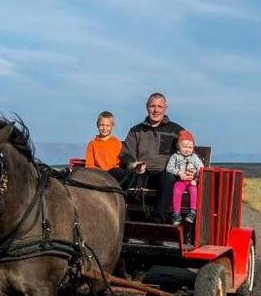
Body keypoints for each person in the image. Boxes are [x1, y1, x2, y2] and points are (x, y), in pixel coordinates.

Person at [120, 92, 184, 222]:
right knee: (113, 173)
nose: (156, 110)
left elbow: (187, 153)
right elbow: (126, 154)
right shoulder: (136, 130)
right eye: (152, 106)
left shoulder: (177, 130)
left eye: (160, 106)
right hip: (139, 175)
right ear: (147, 107)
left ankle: (157, 221)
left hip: (162, 176)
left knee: (167, 178)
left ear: (165, 108)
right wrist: (133, 165)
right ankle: (119, 218)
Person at [166, 130, 204, 225]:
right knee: (177, 190)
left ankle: (192, 212)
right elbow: (169, 168)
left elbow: (201, 168)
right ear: (179, 146)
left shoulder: (194, 157)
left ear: (193, 148)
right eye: (184, 147)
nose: (187, 149)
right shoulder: (175, 157)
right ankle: (176, 214)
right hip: (180, 181)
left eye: (190, 147)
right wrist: (179, 173)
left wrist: (196, 178)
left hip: (192, 181)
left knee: (194, 191)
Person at [85, 111, 128, 182]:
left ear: (112, 126)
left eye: (108, 125)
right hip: (99, 175)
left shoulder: (117, 143)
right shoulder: (92, 144)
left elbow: (120, 164)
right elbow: (89, 166)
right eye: (102, 125)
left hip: (113, 175)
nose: (104, 128)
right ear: (97, 125)